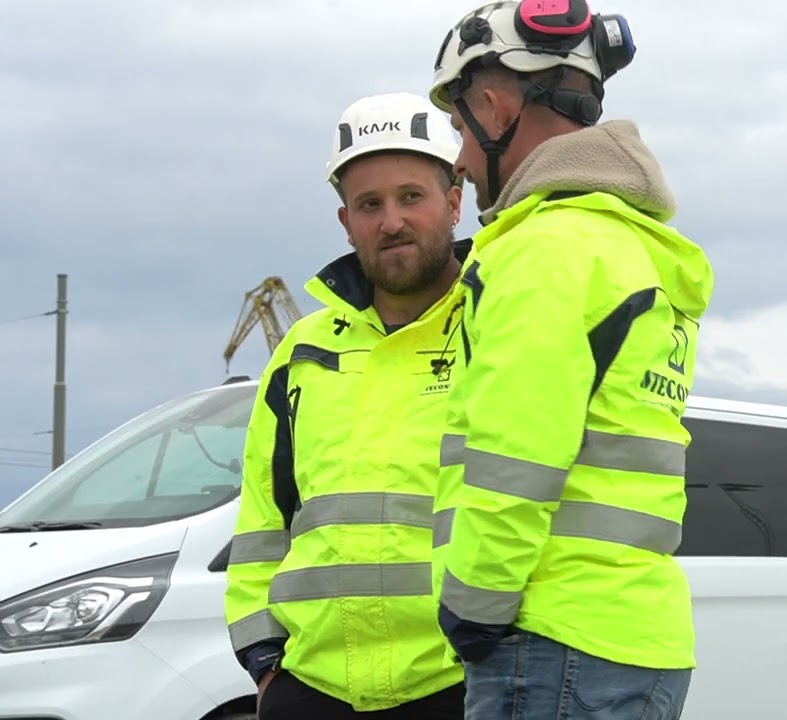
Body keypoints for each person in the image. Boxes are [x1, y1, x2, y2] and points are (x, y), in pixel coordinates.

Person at [423, 1, 715, 718]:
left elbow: (518, 453)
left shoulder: (544, 250)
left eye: (459, 129)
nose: (460, 160)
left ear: (493, 108)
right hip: (637, 638)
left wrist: (473, 607)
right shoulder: (630, 246)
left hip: (552, 638)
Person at [223, 92, 470, 720]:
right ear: (345, 221)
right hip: (311, 691)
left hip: (464, 684)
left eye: (411, 196)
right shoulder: (302, 352)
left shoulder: (498, 326)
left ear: (454, 202)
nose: (391, 221)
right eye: (370, 204)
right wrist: (264, 662)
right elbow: (262, 518)